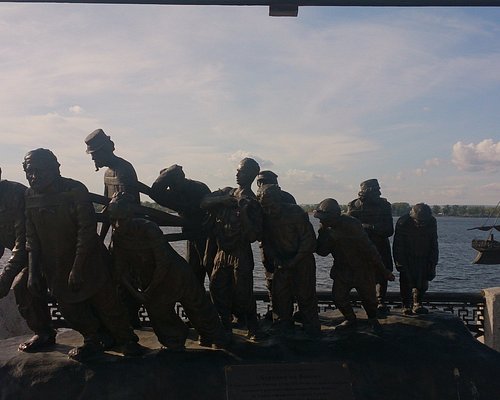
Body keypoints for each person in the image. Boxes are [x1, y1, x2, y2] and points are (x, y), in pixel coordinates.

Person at [23, 149, 142, 361]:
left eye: (39, 171)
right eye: (29, 171)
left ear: (55, 169)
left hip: (89, 259)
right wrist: (33, 273)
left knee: (108, 303)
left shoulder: (75, 190)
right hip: (56, 265)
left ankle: (127, 340)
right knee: (69, 308)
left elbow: (86, 231)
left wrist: (78, 268)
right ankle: (92, 339)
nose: (34, 176)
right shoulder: (30, 196)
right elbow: (31, 239)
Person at [106, 192, 227, 350]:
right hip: (149, 280)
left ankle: (213, 337)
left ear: (130, 215)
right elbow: (120, 270)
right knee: (159, 315)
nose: (117, 225)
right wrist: (137, 293)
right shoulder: (118, 237)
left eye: (121, 219)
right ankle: (176, 341)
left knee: (197, 305)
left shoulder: (148, 229)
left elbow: (163, 262)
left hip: (175, 274)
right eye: (113, 220)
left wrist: (149, 290)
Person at [84, 128, 143, 327]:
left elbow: (126, 208)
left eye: (94, 156)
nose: (93, 160)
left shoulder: (125, 170)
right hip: (117, 237)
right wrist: (101, 238)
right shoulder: (108, 174)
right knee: (115, 277)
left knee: (128, 278)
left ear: (104, 151)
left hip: (131, 235)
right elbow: (106, 208)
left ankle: (131, 319)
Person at [201, 158, 262, 340]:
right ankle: (224, 327)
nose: (237, 174)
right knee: (216, 288)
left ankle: (253, 328)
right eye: (237, 170)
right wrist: (223, 200)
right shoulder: (227, 192)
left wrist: (243, 213)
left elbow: (253, 237)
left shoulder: (252, 203)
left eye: (241, 171)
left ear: (250, 175)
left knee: (244, 293)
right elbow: (203, 202)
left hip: (240, 252)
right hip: (222, 252)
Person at [314, 198, 395, 331]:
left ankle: (373, 320)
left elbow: (369, 249)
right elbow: (322, 252)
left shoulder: (351, 224)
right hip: (342, 269)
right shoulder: (325, 228)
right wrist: (324, 236)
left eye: (323, 218)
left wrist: (383, 270)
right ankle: (350, 319)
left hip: (362, 269)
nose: (321, 221)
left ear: (334, 216)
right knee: (338, 297)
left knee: (369, 299)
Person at [0, 168, 56, 352]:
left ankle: (44, 332)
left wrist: (6, 276)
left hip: (45, 251)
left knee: (21, 285)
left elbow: (23, 240)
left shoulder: (15, 194)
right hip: (25, 257)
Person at [257, 184, 320, 337]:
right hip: (282, 261)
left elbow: (309, 240)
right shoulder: (265, 216)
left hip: (302, 259)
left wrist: (295, 260)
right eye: (266, 207)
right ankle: (283, 325)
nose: (270, 211)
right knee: (280, 295)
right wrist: (277, 259)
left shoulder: (295, 213)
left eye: (273, 206)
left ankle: (311, 328)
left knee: (305, 295)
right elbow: (266, 242)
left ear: (279, 200)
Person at [149, 164, 212, 286]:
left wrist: (170, 172)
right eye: (168, 184)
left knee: (209, 267)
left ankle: (218, 303)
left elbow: (155, 192)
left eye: (170, 183)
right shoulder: (176, 193)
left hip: (206, 235)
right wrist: (168, 173)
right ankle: (198, 301)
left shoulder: (197, 188)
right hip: (192, 235)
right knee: (194, 271)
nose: (170, 188)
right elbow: (155, 193)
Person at [347, 179, 394, 314]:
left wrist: (368, 227)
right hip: (361, 247)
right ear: (368, 192)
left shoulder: (384, 206)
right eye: (376, 190)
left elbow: (389, 230)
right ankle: (368, 300)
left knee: (383, 272)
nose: (379, 192)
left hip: (380, 245)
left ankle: (380, 301)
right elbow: (350, 226)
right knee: (363, 272)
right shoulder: (354, 205)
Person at [393, 203, 439, 315]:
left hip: (424, 256)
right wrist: (400, 264)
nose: (421, 224)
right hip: (407, 257)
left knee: (423, 281)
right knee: (406, 281)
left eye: (424, 222)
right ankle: (406, 305)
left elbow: (434, 243)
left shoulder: (432, 222)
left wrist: (433, 263)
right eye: (419, 221)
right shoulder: (403, 222)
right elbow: (397, 246)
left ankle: (418, 303)